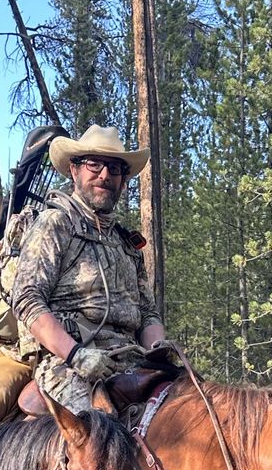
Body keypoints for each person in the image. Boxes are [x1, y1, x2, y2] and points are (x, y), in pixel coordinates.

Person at [10, 124, 167, 413]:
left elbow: (147, 313)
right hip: (68, 366)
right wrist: (76, 355)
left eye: (114, 168)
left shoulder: (126, 243)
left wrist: (159, 351)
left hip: (131, 361)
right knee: (102, 437)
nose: (104, 175)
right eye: (94, 164)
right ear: (74, 170)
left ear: (123, 181)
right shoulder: (55, 225)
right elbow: (27, 298)